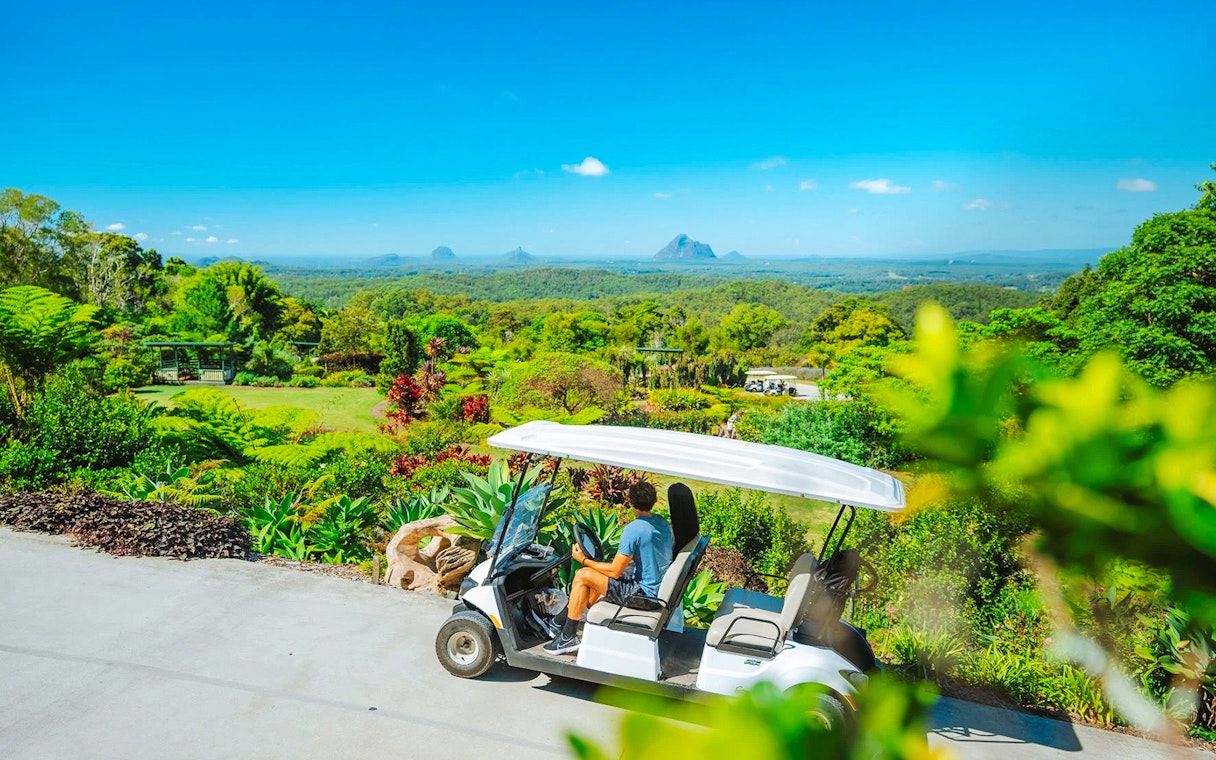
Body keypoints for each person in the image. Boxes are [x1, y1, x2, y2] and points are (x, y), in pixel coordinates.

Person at [544, 480, 673, 655]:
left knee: (583, 575)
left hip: (643, 596)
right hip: (654, 590)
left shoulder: (634, 530)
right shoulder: (661, 523)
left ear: (630, 502)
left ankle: (567, 637)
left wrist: (582, 559)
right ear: (654, 501)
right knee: (594, 575)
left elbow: (615, 571)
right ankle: (559, 622)